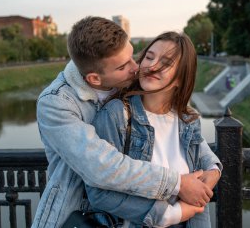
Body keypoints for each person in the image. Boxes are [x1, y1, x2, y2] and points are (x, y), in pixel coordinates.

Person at [32, 17, 213, 228]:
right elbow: (103, 166)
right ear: (94, 80)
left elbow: (182, 128)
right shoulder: (56, 103)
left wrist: (213, 167)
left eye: (133, 55)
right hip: (80, 216)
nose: (136, 67)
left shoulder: (126, 78)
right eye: (124, 65)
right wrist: (177, 184)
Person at [86, 31, 223, 228]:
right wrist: (168, 214)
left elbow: (202, 151)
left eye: (166, 63)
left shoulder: (187, 119)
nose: (152, 66)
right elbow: (99, 194)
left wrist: (215, 170)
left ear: (180, 79)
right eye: (149, 57)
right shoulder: (116, 115)